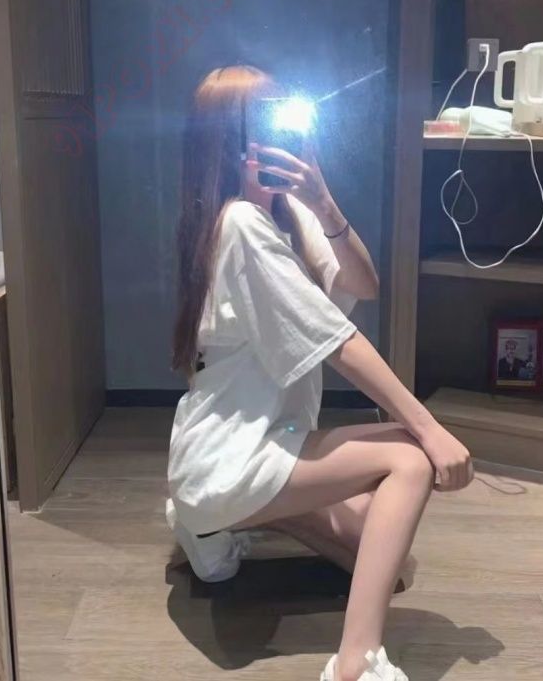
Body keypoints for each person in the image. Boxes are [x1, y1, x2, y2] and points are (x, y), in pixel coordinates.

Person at [166, 66, 473, 681]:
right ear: (231, 142)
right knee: (410, 460)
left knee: (387, 560)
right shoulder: (240, 224)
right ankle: (356, 662)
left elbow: (363, 284)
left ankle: (225, 519)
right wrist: (429, 427)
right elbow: (339, 342)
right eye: (262, 119)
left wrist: (323, 203)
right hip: (231, 455)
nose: (281, 132)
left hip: (255, 445)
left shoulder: (285, 214)